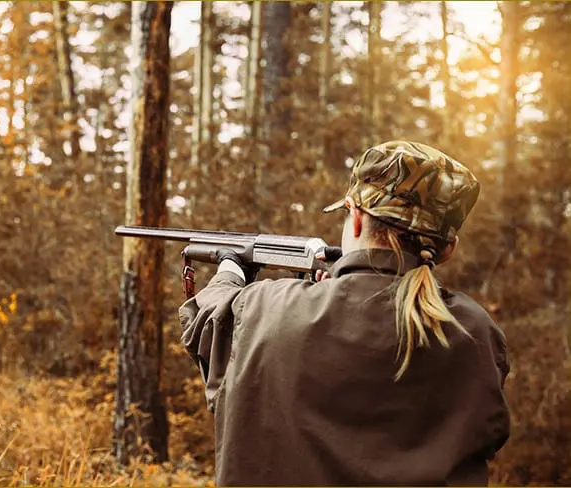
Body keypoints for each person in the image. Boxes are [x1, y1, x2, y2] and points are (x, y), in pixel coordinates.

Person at [178, 141, 510, 486]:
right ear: (448, 250)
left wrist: (231, 267)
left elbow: (206, 317)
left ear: (354, 217)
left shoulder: (265, 309)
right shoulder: (476, 332)